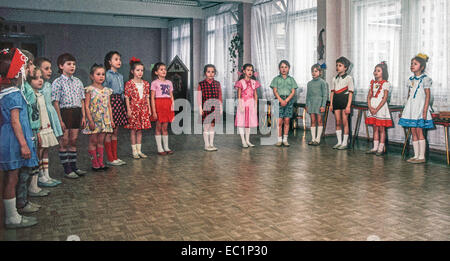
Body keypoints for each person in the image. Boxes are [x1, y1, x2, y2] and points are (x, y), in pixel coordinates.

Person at [0, 48, 39, 228]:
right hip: (15, 140)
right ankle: (12, 217)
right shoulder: (14, 94)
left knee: (11, 177)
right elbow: (15, 122)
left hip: (9, 139)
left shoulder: (5, 92)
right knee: (12, 178)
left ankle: (12, 214)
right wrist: (24, 144)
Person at [399, 54, 434, 164]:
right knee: (413, 131)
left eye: (415, 64)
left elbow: (427, 95)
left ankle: (421, 156)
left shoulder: (425, 79)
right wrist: (406, 110)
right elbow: (409, 95)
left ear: (422, 67)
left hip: (420, 108)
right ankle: (415, 155)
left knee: (419, 131)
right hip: (411, 108)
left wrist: (425, 110)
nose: (412, 65)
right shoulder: (410, 80)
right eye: (411, 64)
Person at [83, 64, 114, 171]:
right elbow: (86, 106)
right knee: (93, 141)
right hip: (94, 120)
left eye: (103, 74)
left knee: (101, 141)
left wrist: (111, 120)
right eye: (98, 74)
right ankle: (94, 163)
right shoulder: (89, 90)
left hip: (104, 120)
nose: (101, 76)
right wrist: (90, 120)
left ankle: (101, 162)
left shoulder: (107, 90)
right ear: (92, 76)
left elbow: (109, 106)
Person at [124, 57, 151, 159]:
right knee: (133, 130)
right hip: (133, 108)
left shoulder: (146, 83)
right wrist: (129, 110)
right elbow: (127, 98)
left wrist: (149, 109)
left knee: (140, 130)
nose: (140, 72)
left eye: (142, 70)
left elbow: (147, 97)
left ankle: (139, 150)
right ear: (132, 71)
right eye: (137, 70)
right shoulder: (129, 83)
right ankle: (134, 151)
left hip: (143, 109)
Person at [103, 51, 127, 166]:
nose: (119, 61)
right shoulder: (107, 75)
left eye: (119, 59)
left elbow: (122, 92)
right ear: (109, 62)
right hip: (110, 102)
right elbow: (105, 91)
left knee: (115, 131)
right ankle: (110, 157)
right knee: (109, 131)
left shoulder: (121, 76)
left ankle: (115, 157)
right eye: (116, 59)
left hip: (119, 102)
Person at [365, 62, 393, 156]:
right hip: (372, 108)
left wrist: (376, 109)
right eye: (375, 70)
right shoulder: (372, 83)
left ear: (383, 72)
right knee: (375, 128)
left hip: (380, 109)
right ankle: (375, 147)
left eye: (378, 70)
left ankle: (381, 148)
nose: (376, 72)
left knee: (381, 129)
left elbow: (384, 98)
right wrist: (370, 107)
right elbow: (369, 96)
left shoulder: (385, 83)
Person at [270, 60, 298, 147]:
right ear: (279, 68)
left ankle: (285, 139)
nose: (284, 69)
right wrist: (280, 100)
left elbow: (293, 92)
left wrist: (286, 100)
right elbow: (275, 91)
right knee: (279, 121)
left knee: (287, 120)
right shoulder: (276, 79)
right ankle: (279, 139)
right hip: (278, 100)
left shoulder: (291, 79)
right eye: (282, 67)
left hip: (288, 101)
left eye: (286, 67)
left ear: (289, 68)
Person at [329, 56, 354, 150]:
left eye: (340, 65)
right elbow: (332, 92)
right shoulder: (334, 79)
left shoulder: (349, 78)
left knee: (345, 122)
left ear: (345, 67)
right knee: (338, 122)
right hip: (336, 100)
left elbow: (351, 93)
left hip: (344, 100)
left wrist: (348, 106)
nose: (337, 67)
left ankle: (344, 143)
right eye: (337, 65)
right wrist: (331, 104)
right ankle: (339, 142)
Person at [151, 62, 175, 155]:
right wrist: (154, 111)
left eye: (165, 69)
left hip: (167, 105)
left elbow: (171, 95)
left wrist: (173, 107)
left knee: (165, 128)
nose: (164, 71)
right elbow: (152, 97)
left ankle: (166, 146)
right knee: (158, 127)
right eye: (161, 69)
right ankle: (159, 148)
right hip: (159, 105)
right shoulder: (154, 83)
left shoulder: (169, 82)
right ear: (156, 72)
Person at [197, 64, 222, 151]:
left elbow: (219, 96)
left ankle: (211, 144)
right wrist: (200, 108)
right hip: (205, 108)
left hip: (215, 108)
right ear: (205, 73)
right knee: (206, 126)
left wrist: (220, 107)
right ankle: (206, 145)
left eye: (212, 72)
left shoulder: (217, 84)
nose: (211, 74)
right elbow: (199, 97)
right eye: (208, 72)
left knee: (212, 126)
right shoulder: (201, 84)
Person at [235, 64, 260, 148]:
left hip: (251, 103)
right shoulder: (241, 82)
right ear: (244, 71)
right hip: (243, 103)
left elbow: (255, 95)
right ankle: (243, 141)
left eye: (251, 70)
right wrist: (240, 105)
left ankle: (247, 140)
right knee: (241, 122)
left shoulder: (254, 82)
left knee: (248, 123)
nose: (250, 72)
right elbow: (238, 95)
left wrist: (255, 105)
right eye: (248, 70)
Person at [306, 64, 328, 146]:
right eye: (312, 71)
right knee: (313, 121)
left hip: (319, 104)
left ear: (320, 72)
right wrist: (307, 105)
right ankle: (313, 139)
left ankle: (318, 139)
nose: (314, 73)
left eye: (316, 71)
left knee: (319, 120)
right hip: (311, 104)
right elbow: (308, 95)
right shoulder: (309, 83)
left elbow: (325, 95)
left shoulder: (323, 83)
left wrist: (323, 106)